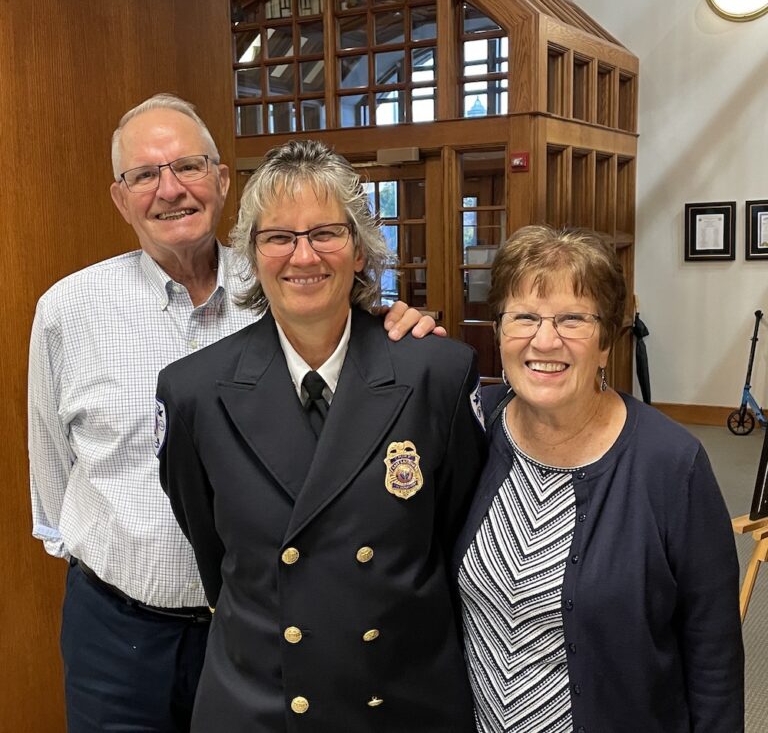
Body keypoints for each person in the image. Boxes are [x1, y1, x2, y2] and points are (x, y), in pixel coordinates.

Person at [27, 94, 435, 733]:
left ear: (221, 181)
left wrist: (403, 324)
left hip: (270, 635)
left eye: (188, 166)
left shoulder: (285, 276)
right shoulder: (68, 310)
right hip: (118, 633)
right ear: (120, 196)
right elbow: (51, 475)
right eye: (144, 175)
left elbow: (364, 374)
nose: (170, 189)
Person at [155, 139, 487, 732]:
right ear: (252, 257)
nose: (302, 256)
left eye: (326, 233)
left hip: (401, 702)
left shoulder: (436, 373)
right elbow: (214, 552)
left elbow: (453, 537)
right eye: (278, 237)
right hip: (261, 703)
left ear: (359, 249)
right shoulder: (194, 393)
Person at [452, 225, 744, 733]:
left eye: (572, 319)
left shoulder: (672, 464)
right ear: (499, 332)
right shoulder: (474, 429)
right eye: (524, 317)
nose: (545, 340)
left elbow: (713, 652)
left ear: (606, 342)